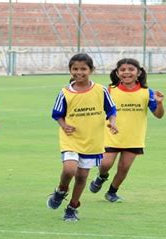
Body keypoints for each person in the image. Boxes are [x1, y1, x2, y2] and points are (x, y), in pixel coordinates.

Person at [46, 53, 118, 222]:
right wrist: (64, 125)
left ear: (91, 70)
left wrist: (112, 123)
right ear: (70, 70)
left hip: (92, 140)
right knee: (70, 169)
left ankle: (72, 207)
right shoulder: (65, 92)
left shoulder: (100, 90)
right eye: (75, 69)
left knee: (82, 177)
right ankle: (61, 190)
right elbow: (57, 114)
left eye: (83, 69)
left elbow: (111, 110)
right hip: (71, 138)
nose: (79, 72)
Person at [89, 58, 165, 202]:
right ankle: (102, 176)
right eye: (123, 70)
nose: (127, 72)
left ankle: (112, 192)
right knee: (105, 164)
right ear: (117, 73)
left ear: (139, 72)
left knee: (124, 168)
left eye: (131, 69)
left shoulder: (147, 92)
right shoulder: (110, 90)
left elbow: (159, 115)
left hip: (134, 137)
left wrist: (159, 104)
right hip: (111, 134)